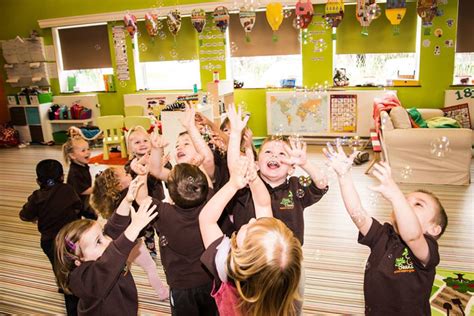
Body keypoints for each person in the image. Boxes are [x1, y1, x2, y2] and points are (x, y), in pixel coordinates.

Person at [324, 140, 448, 315]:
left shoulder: (427, 248)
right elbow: (357, 213)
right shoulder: (383, 235)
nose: (405, 205)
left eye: (418, 204)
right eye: (405, 201)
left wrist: (396, 195)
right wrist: (344, 176)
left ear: (434, 229)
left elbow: (412, 236)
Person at [199, 156, 303, 316]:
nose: (253, 219)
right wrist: (254, 179)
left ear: (242, 256)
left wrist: (232, 185)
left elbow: (206, 220)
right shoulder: (287, 276)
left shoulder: (224, 264)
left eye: (249, 228)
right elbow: (263, 204)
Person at [226, 105, 329, 246]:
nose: (274, 155)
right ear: (257, 164)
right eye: (268, 152)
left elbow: (321, 184)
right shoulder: (249, 184)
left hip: (287, 256)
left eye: (282, 154)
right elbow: (234, 168)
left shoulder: (295, 186)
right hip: (250, 254)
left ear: (291, 168)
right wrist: (235, 134)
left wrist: (305, 164)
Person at [54, 179, 158, 315]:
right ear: (79, 260)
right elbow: (110, 260)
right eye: (98, 242)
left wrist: (126, 201)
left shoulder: (103, 251)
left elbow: (112, 228)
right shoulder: (86, 279)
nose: (107, 241)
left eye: (101, 234)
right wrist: (134, 227)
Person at [135, 155, 218, 315]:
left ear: (171, 196)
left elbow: (141, 199)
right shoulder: (209, 207)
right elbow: (209, 187)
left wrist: (142, 174)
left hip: (181, 286)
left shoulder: (165, 214)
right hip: (209, 280)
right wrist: (199, 167)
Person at [90, 166, 168, 300]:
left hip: (120, 242)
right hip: (131, 243)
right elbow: (140, 184)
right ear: (119, 184)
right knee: (150, 267)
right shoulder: (127, 196)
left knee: (124, 266)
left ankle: (119, 289)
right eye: (126, 174)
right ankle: (162, 292)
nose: (129, 174)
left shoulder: (115, 198)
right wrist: (143, 171)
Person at [19, 159, 81, 315]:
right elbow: (78, 206)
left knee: (58, 266)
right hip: (70, 240)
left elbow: (24, 216)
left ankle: (62, 285)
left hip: (49, 242)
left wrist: (37, 217)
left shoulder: (36, 197)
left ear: (38, 181)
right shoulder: (68, 189)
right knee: (72, 270)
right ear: (62, 176)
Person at [62, 135, 96, 219]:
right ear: (72, 155)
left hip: (82, 201)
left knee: (93, 216)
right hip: (74, 205)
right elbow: (83, 190)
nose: (88, 152)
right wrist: (99, 188)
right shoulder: (75, 172)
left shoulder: (82, 165)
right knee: (77, 222)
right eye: (83, 150)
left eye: (88, 149)